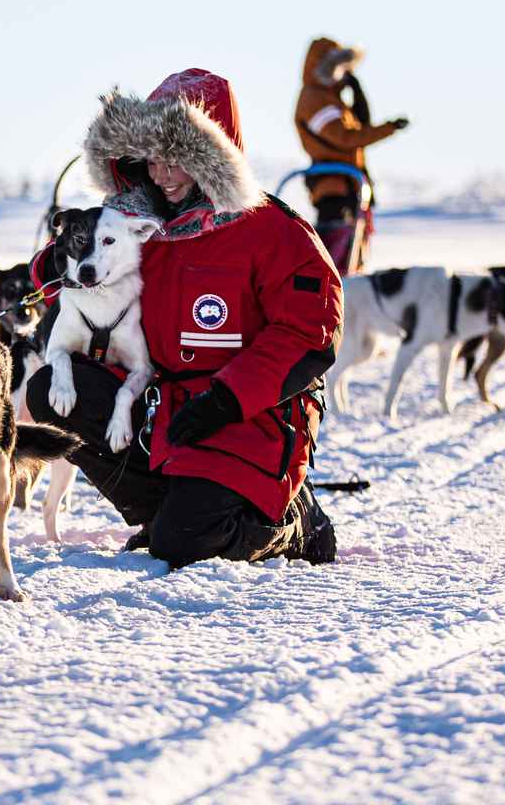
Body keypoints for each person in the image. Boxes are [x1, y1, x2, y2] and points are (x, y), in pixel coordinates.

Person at [26, 69, 342, 569]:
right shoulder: (136, 227)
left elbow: (309, 334)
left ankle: (294, 522)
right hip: (162, 403)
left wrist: (226, 399)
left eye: (179, 160)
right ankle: (161, 512)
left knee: (186, 544)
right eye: (152, 160)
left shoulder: (274, 232)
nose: (163, 175)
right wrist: (68, 252)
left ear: (213, 158)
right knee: (51, 391)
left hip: (250, 413)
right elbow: (63, 282)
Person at [292, 37, 408, 275]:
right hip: (333, 187)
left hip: (349, 186)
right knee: (332, 254)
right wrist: (387, 129)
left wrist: (356, 89)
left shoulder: (332, 100)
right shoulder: (313, 99)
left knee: (352, 253)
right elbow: (346, 137)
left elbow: (360, 125)